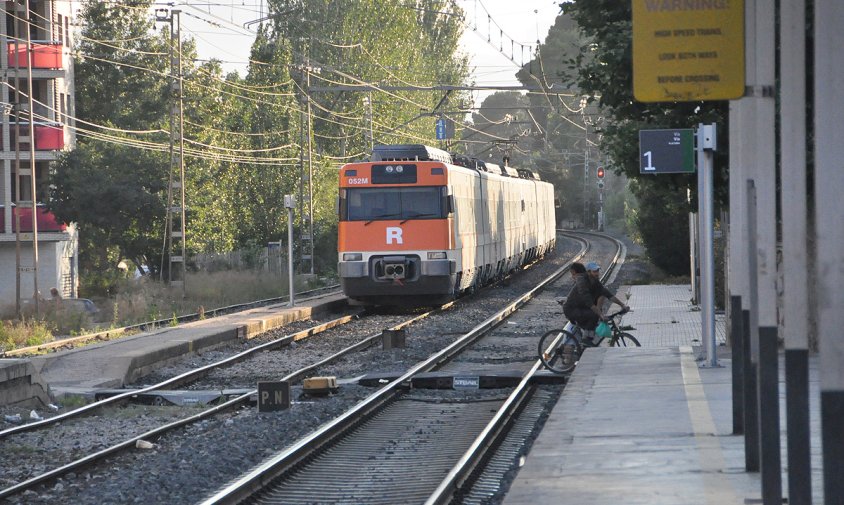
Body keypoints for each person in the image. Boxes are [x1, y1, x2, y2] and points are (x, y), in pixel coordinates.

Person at [562, 262, 605, 344]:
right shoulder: (582, 281)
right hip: (574, 310)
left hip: (578, 308)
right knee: (593, 315)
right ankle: (586, 340)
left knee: (594, 317)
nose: (572, 277)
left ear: (574, 272)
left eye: (572, 274)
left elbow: (602, 294)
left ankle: (586, 338)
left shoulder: (584, 280)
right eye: (595, 271)